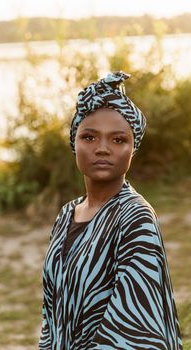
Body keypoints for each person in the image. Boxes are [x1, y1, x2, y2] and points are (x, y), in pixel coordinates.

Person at [38, 71, 183, 349]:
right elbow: (51, 310)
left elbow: (135, 324)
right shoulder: (67, 214)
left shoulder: (134, 217)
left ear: (133, 148)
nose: (102, 148)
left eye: (118, 140)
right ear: (74, 142)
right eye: (89, 137)